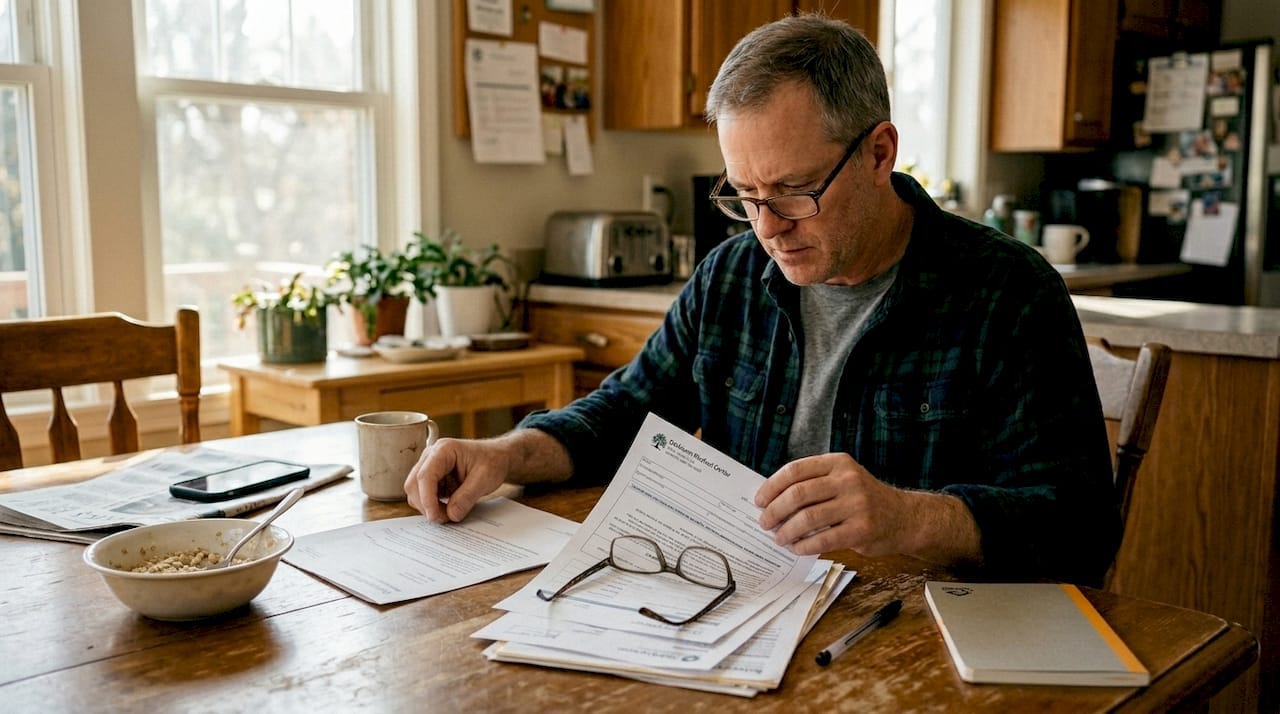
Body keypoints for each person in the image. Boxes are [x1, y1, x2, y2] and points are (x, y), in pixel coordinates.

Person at [406, 14, 1119, 586]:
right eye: (745, 195)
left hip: (923, 633)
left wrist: (906, 518)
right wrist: (504, 454)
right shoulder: (731, 276)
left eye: (793, 191)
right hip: (747, 606)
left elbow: (1080, 529)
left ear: (879, 153)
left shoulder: (1009, 295)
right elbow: (623, 413)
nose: (769, 228)